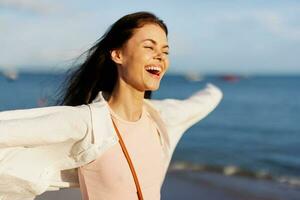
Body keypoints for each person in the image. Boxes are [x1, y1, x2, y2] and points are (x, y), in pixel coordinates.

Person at [0, 11, 223, 200]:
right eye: (149, 47)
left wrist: (214, 90)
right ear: (117, 55)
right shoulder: (87, 123)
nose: (159, 57)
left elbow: (201, 103)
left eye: (165, 51)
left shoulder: (162, 117)